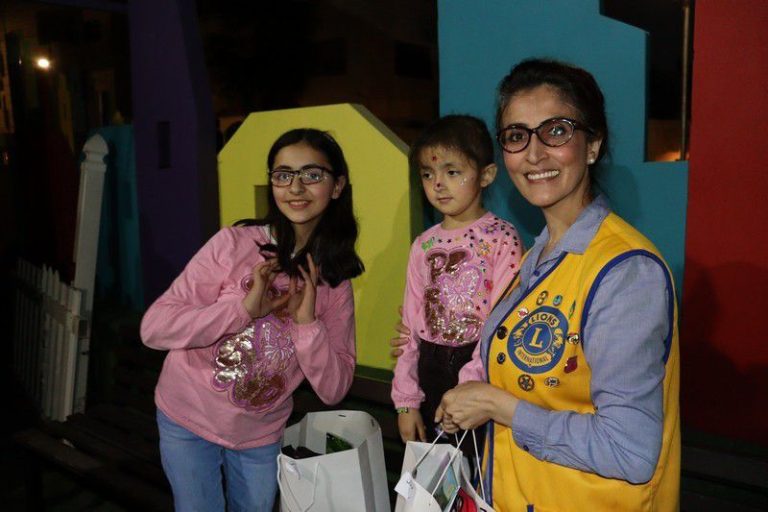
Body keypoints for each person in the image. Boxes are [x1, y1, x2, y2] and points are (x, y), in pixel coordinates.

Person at [433, 59, 681, 511]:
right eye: (516, 135)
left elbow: (629, 450)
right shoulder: (538, 257)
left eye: (557, 131)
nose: (534, 153)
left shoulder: (625, 271)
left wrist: (499, 406)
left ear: (593, 144)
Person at [141, 128, 364, 512]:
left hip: (259, 437)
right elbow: (154, 328)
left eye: (312, 174)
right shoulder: (233, 244)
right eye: (283, 175)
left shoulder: (333, 281)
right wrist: (242, 310)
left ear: (338, 186)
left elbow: (334, 389)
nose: (296, 187)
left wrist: (307, 324)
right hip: (187, 418)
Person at [390, 115, 523, 452]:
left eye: (452, 172)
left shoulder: (502, 238)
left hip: (480, 368)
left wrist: (468, 387)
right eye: (427, 174)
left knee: (477, 469)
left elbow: (501, 321)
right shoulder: (423, 245)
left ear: (486, 175)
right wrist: (406, 401)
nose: (437, 184)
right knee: (432, 472)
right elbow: (410, 326)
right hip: (429, 368)